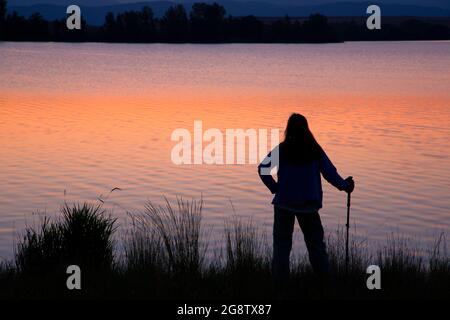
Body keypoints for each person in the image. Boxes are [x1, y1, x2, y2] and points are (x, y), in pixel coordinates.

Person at [258, 113, 354, 284]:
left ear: (289, 129)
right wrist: (345, 186)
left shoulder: (283, 149)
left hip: (284, 204)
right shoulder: (314, 149)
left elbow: (263, 168)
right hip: (308, 205)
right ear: (306, 129)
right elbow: (330, 173)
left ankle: (280, 288)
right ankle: (325, 284)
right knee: (316, 247)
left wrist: (275, 188)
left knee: (281, 248)